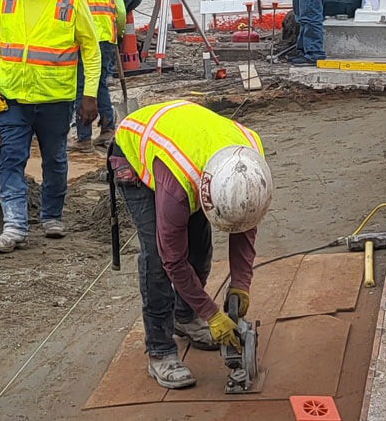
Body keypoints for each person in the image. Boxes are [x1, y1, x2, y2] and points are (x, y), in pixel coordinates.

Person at [109, 100, 273, 389]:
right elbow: (172, 258)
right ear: (207, 194)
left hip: (185, 147)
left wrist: (241, 284)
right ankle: (160, 351)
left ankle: (184, 317)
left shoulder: (249, 161)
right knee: (158, 256)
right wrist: (212, 313)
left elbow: (245, 222)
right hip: (135, 151)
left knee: (199, 247)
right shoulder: (179, 185)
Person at [0, 0, 101, 253]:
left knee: (55, 160)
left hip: (55, 99)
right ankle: (14, 226)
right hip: (13, 99)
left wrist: (89, 95)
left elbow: (91, 50)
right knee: (10, 158)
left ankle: (51, 215)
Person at [58, 0, 126, 153]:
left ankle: (84, 137)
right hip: (106, 38)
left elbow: (59, 9)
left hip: (82, 40)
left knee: (81, 85)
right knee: (99, 83)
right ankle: (107, 129)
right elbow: (120, 10)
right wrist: (118, 34)